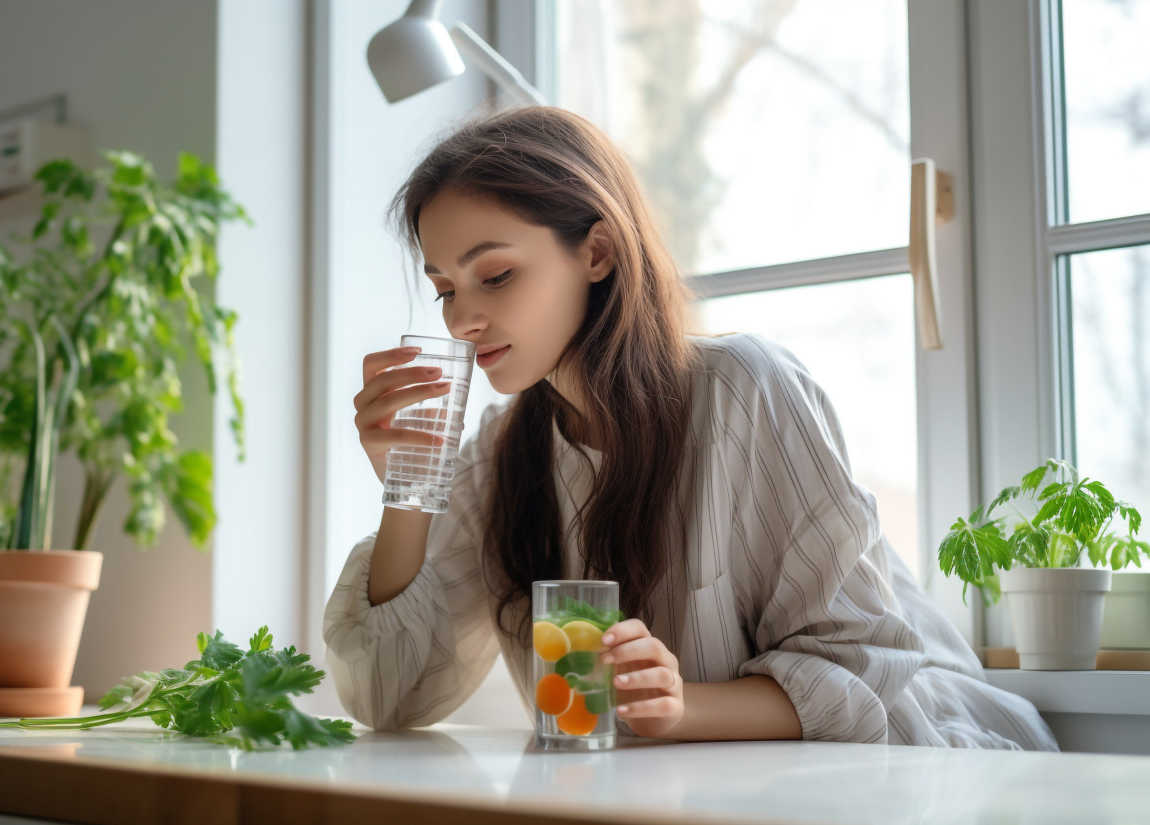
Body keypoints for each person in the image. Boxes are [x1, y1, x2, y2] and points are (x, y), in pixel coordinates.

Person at [324, 106, 1057, 750]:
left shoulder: (745, 389)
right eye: (445, 288)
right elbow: (389, 699)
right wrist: (407, 490)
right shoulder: (500, 452)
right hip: (702, 800)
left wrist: (679, 707)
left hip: (924, 763)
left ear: (598, 251)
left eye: (497, 275)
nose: (461, 319)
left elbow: (864, 668)